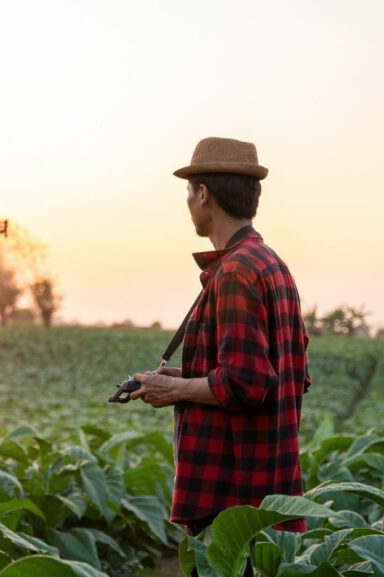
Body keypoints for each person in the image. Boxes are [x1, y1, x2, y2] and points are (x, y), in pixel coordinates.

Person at [130, 137, 311, 576]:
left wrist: (174, 389)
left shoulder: (233, 272)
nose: (188, 203)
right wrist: (183, 376)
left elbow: (246, 382)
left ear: (204, 194)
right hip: (264, 492)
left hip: (231, 498)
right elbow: (284, 372)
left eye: (189, 192)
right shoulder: (270, 264)